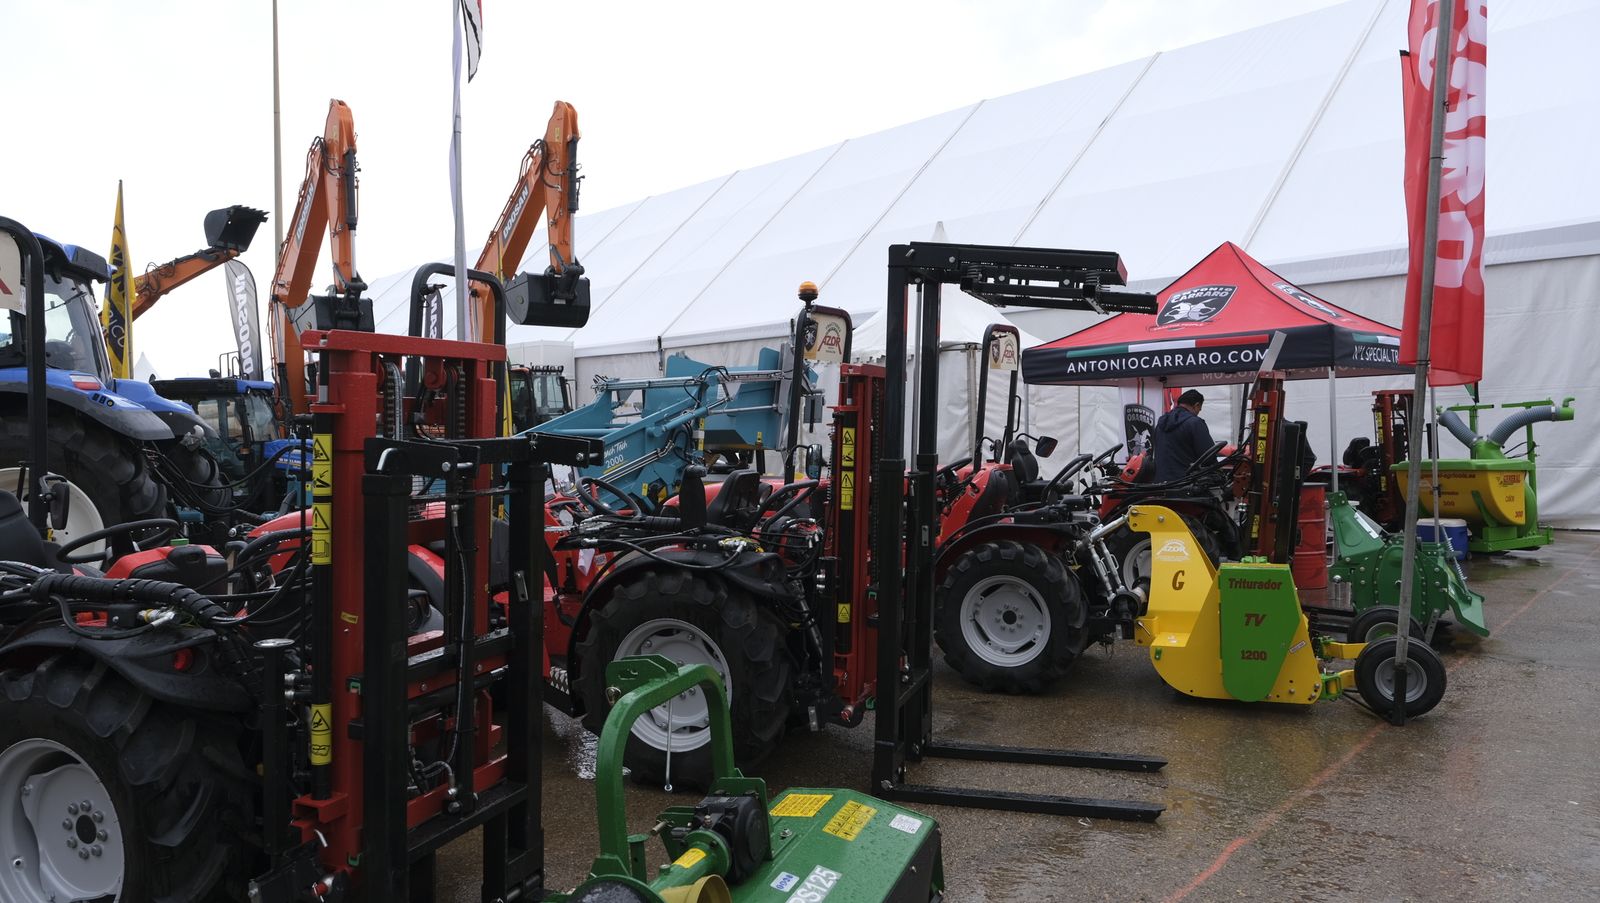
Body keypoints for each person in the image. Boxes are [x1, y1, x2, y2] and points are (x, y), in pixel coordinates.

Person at [1152, 389, 1215, 482]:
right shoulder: (1195, 423)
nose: (1198, 412)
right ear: (1197, 405)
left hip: (1160, 484)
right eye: (1199, 409)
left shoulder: (1160, 425)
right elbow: (1209, 457)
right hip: (1185, 486)